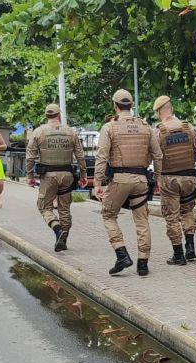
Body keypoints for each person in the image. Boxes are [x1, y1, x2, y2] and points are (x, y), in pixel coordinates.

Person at [93, 89, 162, 276]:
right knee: (142, 220)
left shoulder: (109, 127)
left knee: (108, 214)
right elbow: (158, 155)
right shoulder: (145, 127)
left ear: (115, 106)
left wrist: (97, 182)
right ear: (131, 105)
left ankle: (122, 254)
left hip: (120, 179)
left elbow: (102, 156)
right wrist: (157, 178)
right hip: (141, 180)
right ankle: (143, 263)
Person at [153, 95, 196, 265]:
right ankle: (190, 248)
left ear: (159, 111)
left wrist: (156, 177)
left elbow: (155, 156)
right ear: (171, 109)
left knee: (172, 217)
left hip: (169, 180)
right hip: (189, 179)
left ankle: (178, 254)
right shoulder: (189, 128)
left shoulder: (159, 131)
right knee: (187, 211)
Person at [26, 104, 88, 252]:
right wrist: (84, 174)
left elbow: (30, 157)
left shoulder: (38, 132)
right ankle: (63, 239)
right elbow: (80, 155)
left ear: (46, 115)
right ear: (59, 115)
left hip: (48, 176)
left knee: (44, 206)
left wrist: (29, 176)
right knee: (64, 208)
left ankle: (57, 229)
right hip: (67, 175)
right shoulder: (71, 132)